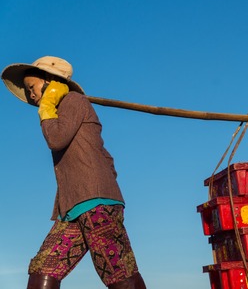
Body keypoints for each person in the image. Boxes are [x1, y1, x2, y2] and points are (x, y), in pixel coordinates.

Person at [1, 56, 146, 289]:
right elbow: (106, 159)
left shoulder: (73, 101)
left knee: (117, 270)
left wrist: (47, 108)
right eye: (28, 91)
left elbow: (56, 139)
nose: (31, 95)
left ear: (49, 81)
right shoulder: (64, 110)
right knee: (43, 268)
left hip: (94, 203)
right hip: (73, 208)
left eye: (32, 88)